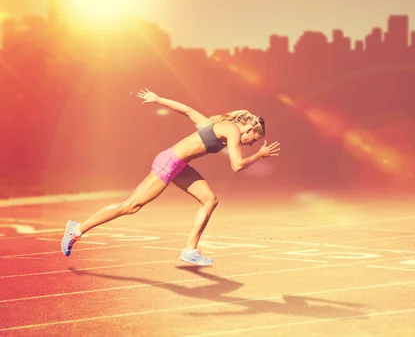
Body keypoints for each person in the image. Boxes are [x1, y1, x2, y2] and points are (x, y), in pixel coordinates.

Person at [61, 88, 280, 266]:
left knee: (210, 200)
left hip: (179, 166)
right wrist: (259, 155)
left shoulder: (217, 124)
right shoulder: (232, 130)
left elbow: (187, 110)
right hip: (169, 162)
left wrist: (157, 99)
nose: (251, 143)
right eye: (254, 138)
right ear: (249, 128)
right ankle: (77, 229)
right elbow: (237, 166)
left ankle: (190, 250)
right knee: (131, 206)